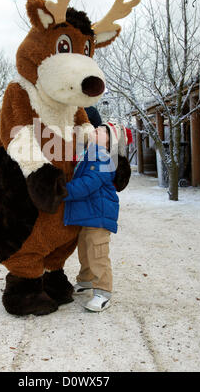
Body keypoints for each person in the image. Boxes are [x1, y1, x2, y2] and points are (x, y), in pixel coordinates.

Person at [64, 123, 121, 312]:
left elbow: (89, 183)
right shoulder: (88, 153)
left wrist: (63, 191)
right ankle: (86, 280)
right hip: (89, 213)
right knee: (85, 249)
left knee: (97, 252)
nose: (97, 129)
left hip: (99, 213)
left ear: (109, 142)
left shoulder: (104, 157)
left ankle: (103, 291)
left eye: (103, 131)